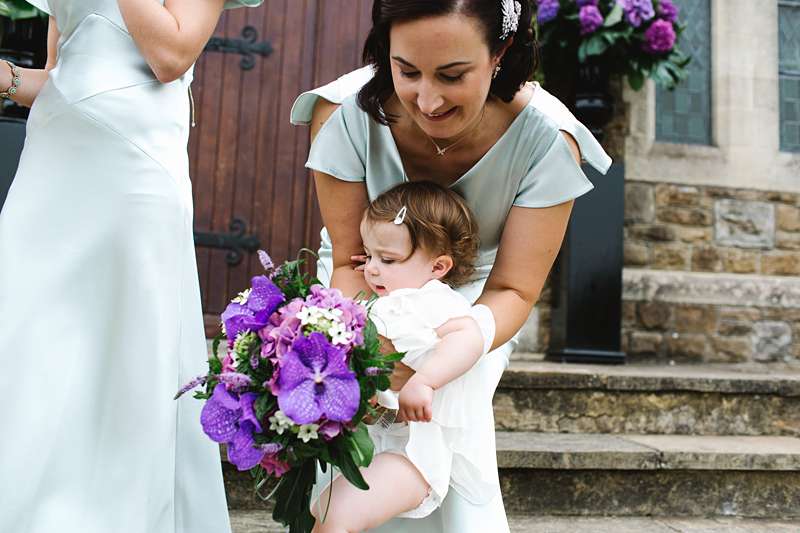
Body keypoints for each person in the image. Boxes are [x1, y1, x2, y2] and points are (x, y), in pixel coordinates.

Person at [291, 1, 612, 531]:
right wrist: (367, 346)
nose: (428, 98)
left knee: (448, 415)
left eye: (453, 75)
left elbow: (513, 288)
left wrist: (444, 352)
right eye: (407, 70)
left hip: (475, 302)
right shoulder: (343, 112)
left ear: (500, 54)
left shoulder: (549, 141)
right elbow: (351, 260)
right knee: (352, 412)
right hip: (364, 282)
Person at [0, 1, 260, 532]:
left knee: (127, 338)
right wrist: (5, 78)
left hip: (135, 164)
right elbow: (61, 71)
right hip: (55, 151)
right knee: (31, 327)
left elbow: (170, 55)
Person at [309, 181, 501, 533]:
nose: (372, 268)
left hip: (414, 454)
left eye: (388, 259)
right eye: (367, 256)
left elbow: (468, 337)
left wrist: (425, 380)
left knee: (336, 515)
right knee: (324, 511)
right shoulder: (384, 300)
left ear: (439, 266)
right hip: (380, 440)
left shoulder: (433, 299)